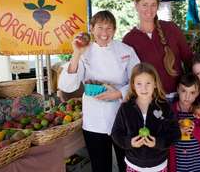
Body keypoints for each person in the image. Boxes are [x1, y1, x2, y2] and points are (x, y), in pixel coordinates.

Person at [58, 10, 140, 172]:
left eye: (109, 28)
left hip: (122, 116)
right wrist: (76, 52)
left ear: (115, 30)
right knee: (100, 166)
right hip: (95, 119)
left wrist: (118, 93)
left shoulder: (126, 50)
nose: (104, 33)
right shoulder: (84, 51)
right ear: (92, 28)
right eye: (100, 27)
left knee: (128, 165)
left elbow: (138, 81)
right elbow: (68, 86)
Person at [123, 0, 193, 102]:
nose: (149, 9)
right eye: (144, 4)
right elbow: (130, 75)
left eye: (153, 5)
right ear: (136, 5)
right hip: (151, 101)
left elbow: (188, 58)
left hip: (180, 99)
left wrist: (194, 91)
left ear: (158, 6)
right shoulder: (129, 40)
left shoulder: (171, 28)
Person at [111, 63, 181, 172]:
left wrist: (158, 143)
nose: (144, 88)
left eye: (148, 83)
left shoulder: (164, 107)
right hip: (133, 165)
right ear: (133, 85)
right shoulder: (126, 108)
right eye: (139, 83)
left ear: (155, 84)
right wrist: (129, 142)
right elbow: (116, 133)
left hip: (158, 165)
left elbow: (175, 133)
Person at [168, 73, 200, 172]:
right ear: (178, 90)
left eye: (192, 92)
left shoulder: (198, 112)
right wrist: (177, 129)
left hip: (197, 163)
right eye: (184, 91)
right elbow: (164, 134)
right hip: (178, 163)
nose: (187, 96)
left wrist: (195, 130)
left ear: (197, 94)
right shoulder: (170, 111)